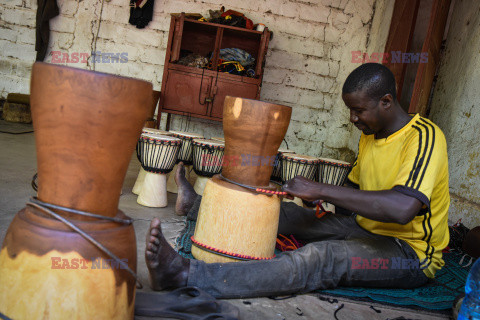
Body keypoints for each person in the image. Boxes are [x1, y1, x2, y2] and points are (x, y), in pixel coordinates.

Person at [145, 63, 450, 298]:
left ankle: (187, 275)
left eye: (358, 111)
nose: (353, 119)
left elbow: (401, 208)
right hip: (363, 228)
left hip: (409, 254)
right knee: (284, 213)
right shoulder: (370, 136)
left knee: (322, 258)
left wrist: (320, 188)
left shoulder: (424, 137)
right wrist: (320, 201)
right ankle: (195, 207)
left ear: (385, 101)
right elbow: (353, 197)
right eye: (351, 111)